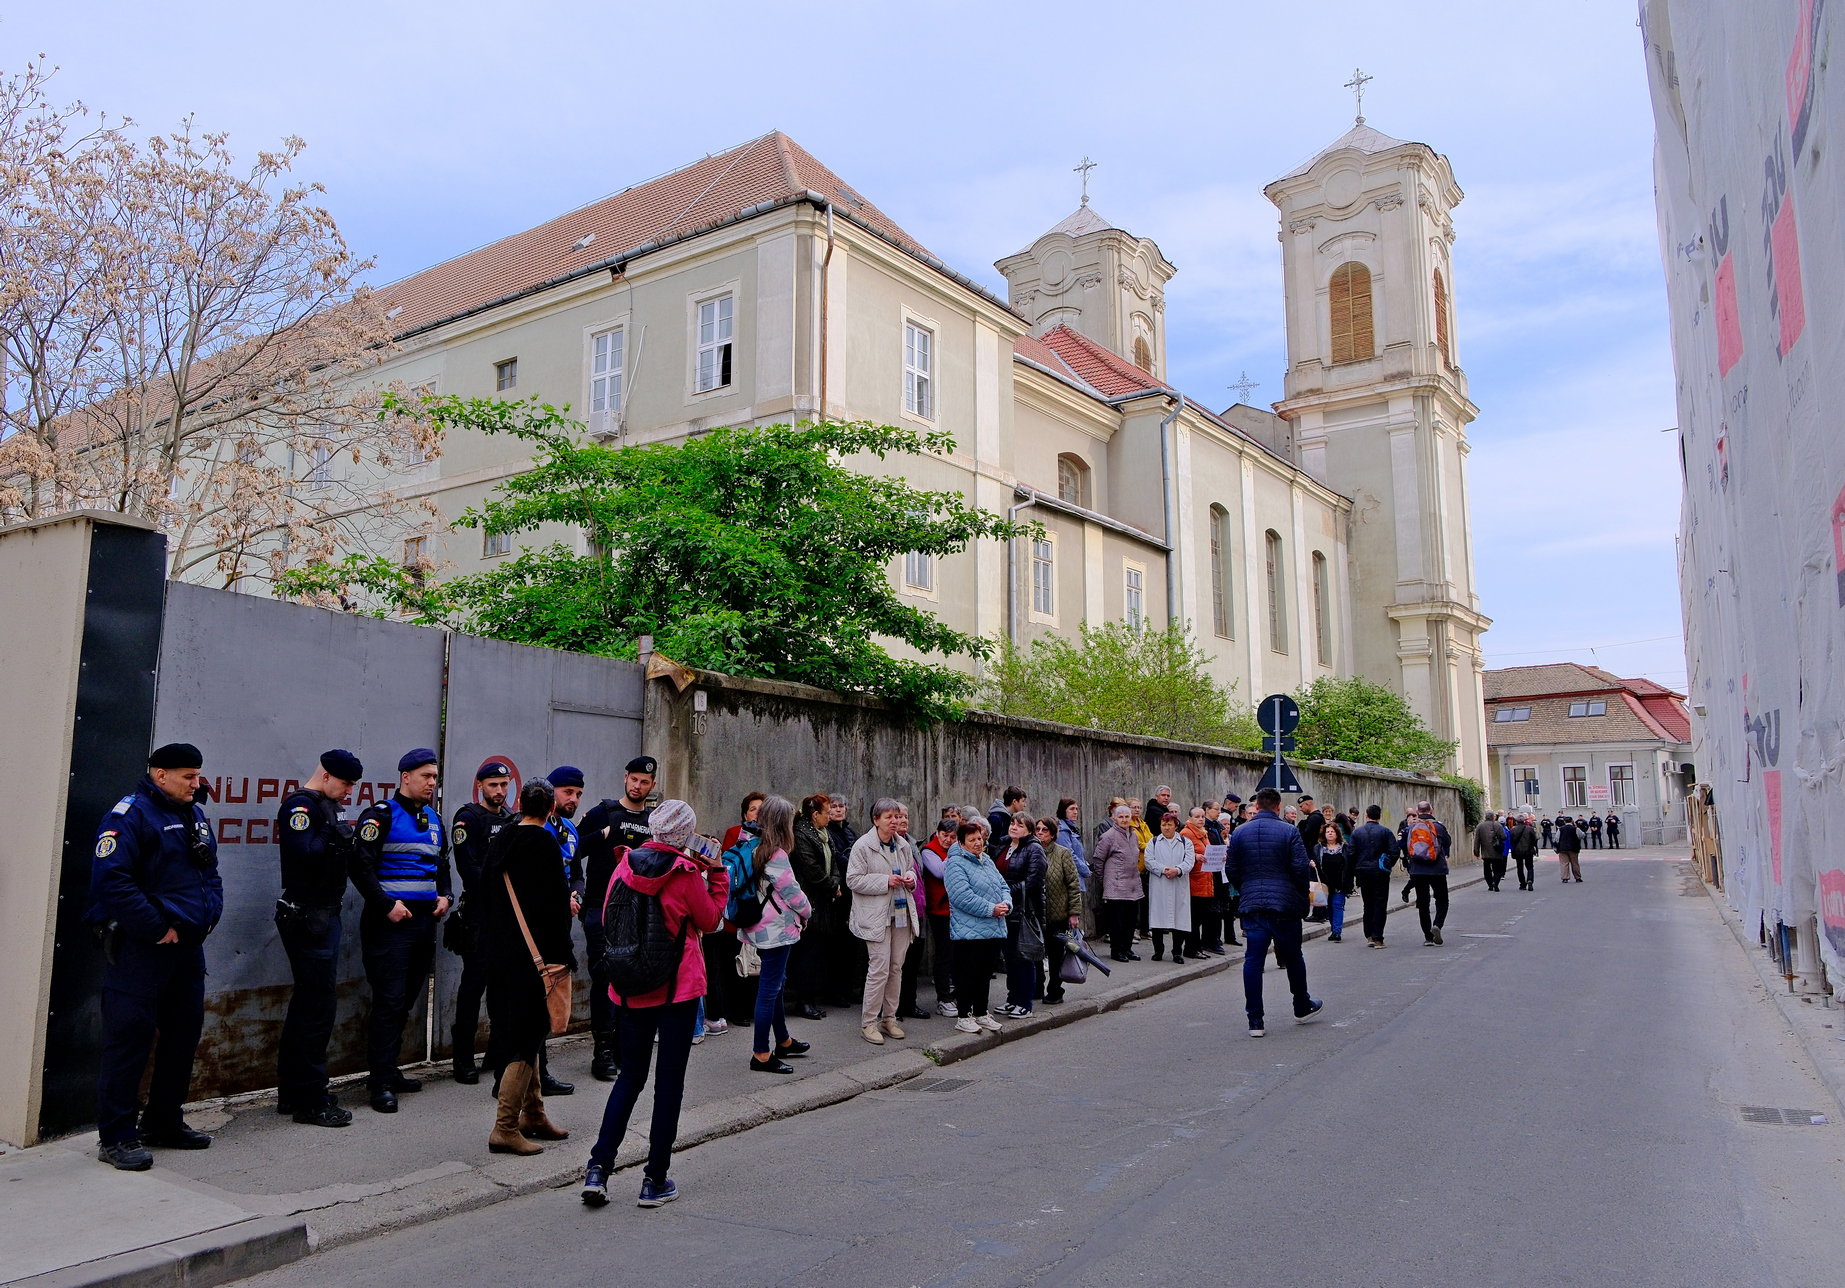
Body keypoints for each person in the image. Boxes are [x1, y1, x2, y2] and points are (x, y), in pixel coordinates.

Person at [580, 800, 729, 1210]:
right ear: (685, 834)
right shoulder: (685, 874)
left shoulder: (623, 866)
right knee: (669, 1084)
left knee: (630, 1077)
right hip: (676, 991)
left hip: (631, 988)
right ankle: (655, 1180)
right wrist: (716, 872)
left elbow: (612, 922)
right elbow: (711, 920)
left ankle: (598, 1169)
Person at [89, 743, 224, 1170]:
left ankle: (163, 1121)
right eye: (188, 776)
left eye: (198, 775)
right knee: (129, 1040)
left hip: (187, 949)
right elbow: (112, 881)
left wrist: (209, 915)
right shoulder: (131, 815)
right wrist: (156, 927)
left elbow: (210, 874)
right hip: (142, 951)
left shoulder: (192, 813)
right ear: (160, 774)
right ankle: (116, 1137)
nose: (196, 783)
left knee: (183, 1037)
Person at [351, 748, 453, 1113]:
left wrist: (447, 894)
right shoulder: (381, 814)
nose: (432, 782)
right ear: (405, 776)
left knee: (407, 999)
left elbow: (441, 866)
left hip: (425, 923)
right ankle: (379, 1083)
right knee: (389, 1000)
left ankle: (390, 1070)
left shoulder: (434, 818)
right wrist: (387, 905)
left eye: (435, 777)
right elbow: (360, 866)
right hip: (389, 924)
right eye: (426, 776)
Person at [481, 778, 574, 1155]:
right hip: (535, 959)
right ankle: (504, 1126)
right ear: (551, 808)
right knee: (525, 1037)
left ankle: (533, 1114)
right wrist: (563, 954)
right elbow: (554, 908)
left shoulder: (502, 838)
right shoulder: (545, 843)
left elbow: (485, 893)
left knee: (526, 1032)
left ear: (520, 804)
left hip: (501, 955)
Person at [274, 749, 363, 1127]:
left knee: (310, 1005)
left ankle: (296, 1091)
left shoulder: (327, 807)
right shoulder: (302, 807)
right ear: (326, 775)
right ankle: (310, 1099)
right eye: (344, 784)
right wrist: (332, 831)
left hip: (325, 914)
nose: (347, 792)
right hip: (306, 916)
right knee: (316, 1008)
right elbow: (303, 855)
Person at [578, 755, 657, 1082]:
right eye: (634, 779)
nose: (638, 786)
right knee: (605, 978)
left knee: (633, 980)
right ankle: (603, 1052)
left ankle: (624, 1047)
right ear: (625, 778)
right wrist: (577, 892)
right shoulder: (602, 813)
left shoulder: (655, 820)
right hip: (601, 908)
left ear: (652, 786)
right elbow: (572, 851)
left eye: (645, 782)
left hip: (638, 912)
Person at [1225, 788, 1321, 1037]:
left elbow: (1232, 869)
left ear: (1256, 806)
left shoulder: (1239, 832)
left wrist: (1246, 888)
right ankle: (1301, 1005)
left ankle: (1255, 1020)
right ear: (1278, 807)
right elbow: (1300, 869)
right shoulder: (1289, 831)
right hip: (1284, 906)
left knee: (1253, 961)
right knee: (1293, 957)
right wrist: (1300, 896)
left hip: (1253, 904)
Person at [449, 760, 515, 1086]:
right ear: (481, 786)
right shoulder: (468, 818)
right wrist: (500, 892)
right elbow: (468, 869)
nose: (500, 791)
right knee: (473, 986)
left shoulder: (511, 819)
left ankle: (496, 1052)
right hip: (479, 914)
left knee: (502, 987)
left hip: (506, 917)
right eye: (493, 786)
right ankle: (462, 1059)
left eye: (504, 786)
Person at [739, 795, 814, 1074]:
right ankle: (761, 1053)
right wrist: (807, 912)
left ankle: (783, 1040)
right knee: (769, 990)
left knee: (776, 984)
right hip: (776, 930)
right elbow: (792, 893)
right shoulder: (776, 854)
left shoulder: (750, 843)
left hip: (756, 925)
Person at [846, 799, 921, 1044]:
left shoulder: (903, 845)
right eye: (889, 817)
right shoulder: (863, 846)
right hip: (875, 916)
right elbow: (853, 880)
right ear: (876, 820)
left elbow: (910, 870)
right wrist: (884, 881)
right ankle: (869, 1022)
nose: (895, 822)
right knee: (879, 969)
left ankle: (889, 1018)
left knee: (896, 968)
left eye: (897, 817)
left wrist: (910, 879)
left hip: (901, 913)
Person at [532, 764, 585, 1097]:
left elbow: (577, 872)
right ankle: (526, 1075)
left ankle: (539, 1073)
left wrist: (577, 893)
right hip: (534, 927)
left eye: (579, 794)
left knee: (549, 999)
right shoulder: (533, 828)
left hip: (559, 925)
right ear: (551, 793)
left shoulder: (569, 829)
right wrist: (560, 898)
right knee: (533, 1000)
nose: (574, 799)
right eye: (568, 793)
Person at [944, 821, 1010, 1033]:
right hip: (968, 932)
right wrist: (992, 909)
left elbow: (1002, 885)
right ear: (961, 843)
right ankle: (964, 1016)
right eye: (971, 840)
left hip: (992, 928)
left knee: (984, 974)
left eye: (979, 839)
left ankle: (981, 1013)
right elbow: (962, 897)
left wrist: (1006, 904)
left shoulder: (987, 860)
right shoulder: (955, 864)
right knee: (967, 975)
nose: (977, 843)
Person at [788, 793, 840, 1021]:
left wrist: (835, 881)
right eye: (826, 813)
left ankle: (811, 997)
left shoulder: (825, 834)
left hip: (824, 900)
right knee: (806, 953)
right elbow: (810, 869)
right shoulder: (801, 835)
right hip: (809, 900)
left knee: (818, 952)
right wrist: (831, 885)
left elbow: (834, 860)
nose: (829, 817)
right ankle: (803, 1000)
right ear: (814, 814)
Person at [991, 813, 1047, 1017]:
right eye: (1013, 823)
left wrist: (1005, 891)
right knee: (1010, 958)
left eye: (1020, 825)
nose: (1014, 827)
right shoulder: (1003, 845)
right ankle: (1012, 999)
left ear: (1029, 830)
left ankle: (1025, 1002)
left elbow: (1033, 882)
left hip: (1024, 911)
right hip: (1005, 911)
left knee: (1024, 957)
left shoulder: (1034, 849)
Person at [1034, 818, 1083, 1003]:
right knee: (1036, 954)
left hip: (1058, 914)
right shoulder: (1032, 851)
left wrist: (1073, 912)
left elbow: (1073, 884)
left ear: (1053, 834)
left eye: (1044, 830)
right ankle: (1037, 987)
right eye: (1037, 829)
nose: (1040, 833)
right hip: (1037, 915)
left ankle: (1055, 990)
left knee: (1056, 956)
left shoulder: (1063, 853)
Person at [917, 812, 960, 1016]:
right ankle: (943, 998)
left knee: (958, 954)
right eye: (945, 835)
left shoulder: (953, 849)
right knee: (944, 954)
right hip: (939, 910)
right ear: (937, 833)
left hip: (957, 909)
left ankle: (957, 994)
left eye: (953, 837)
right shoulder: (929, 850)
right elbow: (940, 872)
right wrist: (957, 853)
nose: (948, 840)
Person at [1398, 800, 1453, 946]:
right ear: (1432, 810)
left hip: (1418, 869)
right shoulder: (1439, 827)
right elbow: (1447, 843)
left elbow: (1403, 845)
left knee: (1423, 903)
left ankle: (1428, 937)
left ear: (1417, 811)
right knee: (1442, 900)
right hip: (1437, 869)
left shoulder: (1411, 828)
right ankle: (1437, 924)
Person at [1093, 805, 1143, 961]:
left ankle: (1127, 948)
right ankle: (1116, 950)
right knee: (1117, 921)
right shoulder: (1109, 836)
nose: (1124, 820)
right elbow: (1098, 859)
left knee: (1131, 920)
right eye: (1120, 817)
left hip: (1133, 884)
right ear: (1114, 818)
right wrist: (1105, 880)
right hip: (1116, 885)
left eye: (1127, 817)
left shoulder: (1133, 835)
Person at [1145, 809, 1195, 962]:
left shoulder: (1186, 842)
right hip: (1160, 883)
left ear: (1175, 826)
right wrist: (1163, 869)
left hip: (1179, 884)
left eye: (1169, 824)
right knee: (1158, 919)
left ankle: (1177, 952)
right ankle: (1158, 951)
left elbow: (1189, 861)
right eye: (1163, 824)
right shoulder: (1153, 842)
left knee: (1179, 918)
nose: (1166, 827)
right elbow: (1148, 861)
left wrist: (1178, 870)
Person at [1349, 805, 1399, 947]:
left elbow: (1351, 854)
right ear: (1379, 816)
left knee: (1368, 903)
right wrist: (1387, 865)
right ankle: (1378, 937)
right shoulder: (1385, 832)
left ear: (1366, 815)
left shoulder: (1357, 833)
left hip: (1363, 871)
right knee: (1380, 903)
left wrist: (1354, 873)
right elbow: (1394, 851)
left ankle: (1369, 934)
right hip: (1380, 872)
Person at [1181, 808, 1219, 955]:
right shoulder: (1186, 833)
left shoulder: (1203, 833)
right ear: (1190, 818)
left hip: (1205, 879)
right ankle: (1191, 948)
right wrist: (1196, 856)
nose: (1201, 819)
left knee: (1200, 917)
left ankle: (1197, 948)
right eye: (1197, 817)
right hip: (1194, 880)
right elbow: (1183, 854)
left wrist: (1218, 857)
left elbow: (1207, 852)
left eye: (1202, 816)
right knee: (1194, 918)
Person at [1313, 820, 1353, 942]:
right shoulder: (1318, 848)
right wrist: (1312, 864)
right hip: (1325, 884)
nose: (1330, 834)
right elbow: (1315, 864)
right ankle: (1333, 928)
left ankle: (1337, 932)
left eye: (1332, 831)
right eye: (1327, 832)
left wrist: (1350, 883)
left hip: (1340, 883)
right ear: (1324, 834)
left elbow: (1350, 866)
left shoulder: (1344, 847)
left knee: (1337, 906)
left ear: (1337, 833)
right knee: (1329, 908)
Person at [1474, 811, 1508, 892]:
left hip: (1486, 852)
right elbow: (1504, 837)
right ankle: (1495, 883)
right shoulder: (1497, 825)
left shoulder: (1480, 826)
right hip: (1497, 851)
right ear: (1493, 817)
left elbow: (1477, 840)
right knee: (1497, 869)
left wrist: (1476, 851)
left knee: (1487, 869)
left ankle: (1490, 884)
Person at [1509, 812, 1540, 890]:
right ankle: (1530, 880)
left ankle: (1522, 884)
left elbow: (1511, 841)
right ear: (1524, 821)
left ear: (1516, 821)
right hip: (1528, 850)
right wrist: (1533, 847)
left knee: (1520, 867)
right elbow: (1534, 839)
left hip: (1518, 851)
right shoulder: (1530, 829)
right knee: (1529, 866)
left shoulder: (1513, 830)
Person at [1555, 813, 1584, 883]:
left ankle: (1565, 878)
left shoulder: (1560, 829)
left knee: (1564, 863)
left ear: (1564, 822)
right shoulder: (1575, 829)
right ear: (1572, 821)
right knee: (1575, 863)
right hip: (1573, 848)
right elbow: (1582, 835)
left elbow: (1556, 838)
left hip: (1562, 848)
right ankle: (1577, 877)